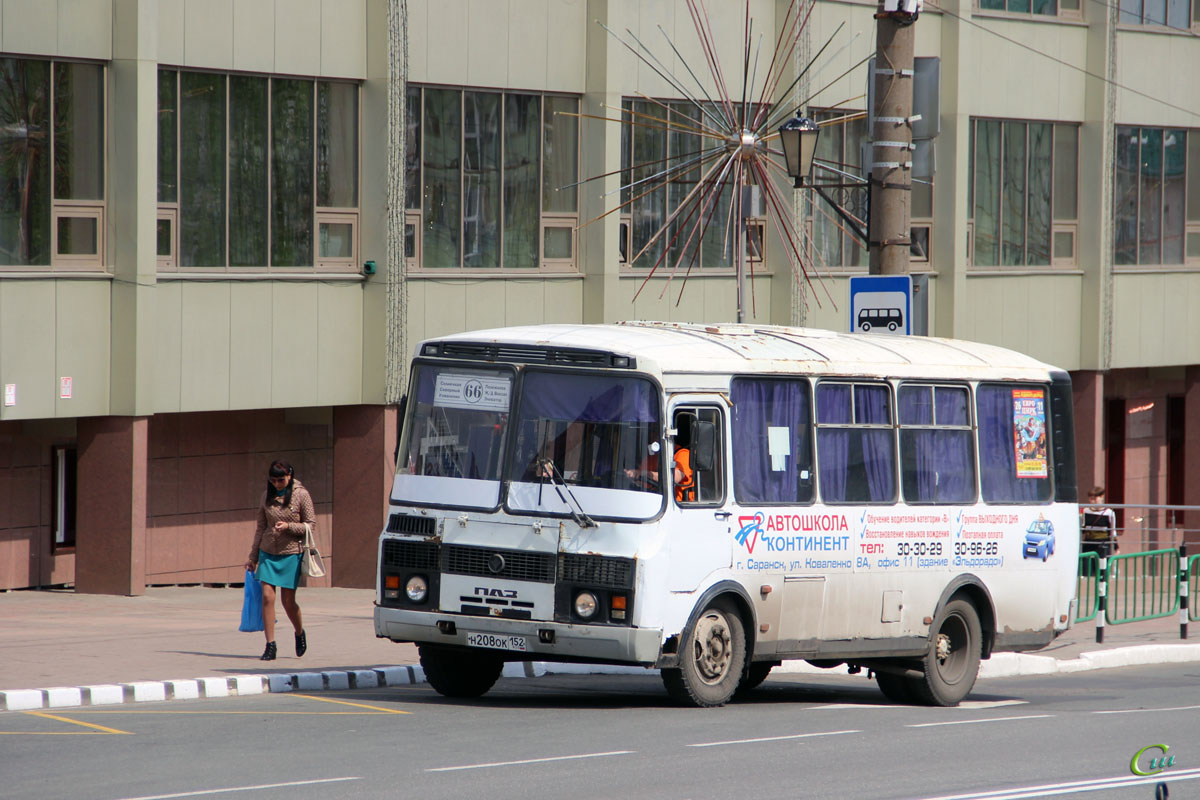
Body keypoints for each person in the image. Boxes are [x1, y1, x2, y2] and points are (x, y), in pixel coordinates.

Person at [243, 460, 315, 661]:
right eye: (273, 480)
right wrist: (253, 556)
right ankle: (270, 645)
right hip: (268, 551)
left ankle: (299, 632)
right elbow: (260, 528)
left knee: (288, 601)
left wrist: (289, 527)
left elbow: (310, 525)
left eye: (281, 480)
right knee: (267, 597)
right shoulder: (266, 496)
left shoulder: (302, 495)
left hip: (291, 553)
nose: (277, 483)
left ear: (289, 476)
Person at [1081, 484, 1117, 563]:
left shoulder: (1109, 512)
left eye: (1095, 498)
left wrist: (1116, 546)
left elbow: (1112, 531)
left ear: (1102, 497)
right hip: (1088, 542)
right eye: (1091, 499)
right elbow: (1083, 528)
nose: (1092, 501)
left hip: (1103, 543)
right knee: (1087, 565)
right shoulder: (1085, 511)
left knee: (1102, 565)